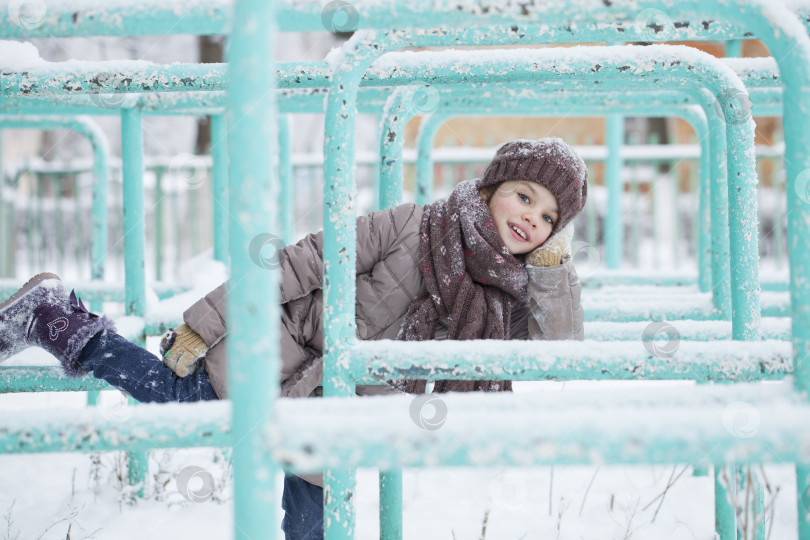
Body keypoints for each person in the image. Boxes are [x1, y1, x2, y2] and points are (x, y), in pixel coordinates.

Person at [0, 137, 588, 539]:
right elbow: (302, 263)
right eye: (524, 195)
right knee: (181, 399)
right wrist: (210, 322)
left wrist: (554, 271)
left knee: (316, 521)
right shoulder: (412, 224)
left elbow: (554, 352)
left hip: (343, 410)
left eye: (547, 220)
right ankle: (55, 319)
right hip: (278, 346)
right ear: (491, 187)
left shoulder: (504, 295)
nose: (529, 218)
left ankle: (54, 318)